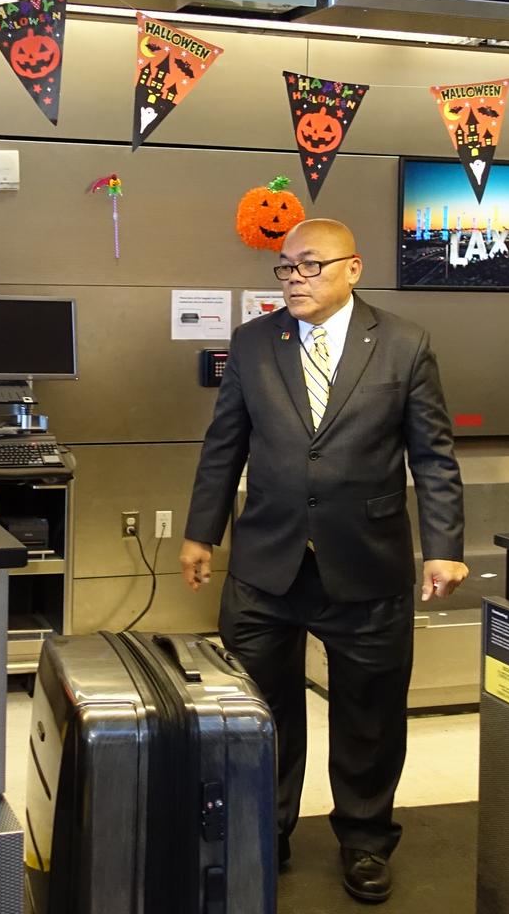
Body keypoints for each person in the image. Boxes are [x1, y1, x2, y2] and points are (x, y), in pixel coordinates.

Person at [180, 218, 466, 906]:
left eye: (310, 265)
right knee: (257, 710)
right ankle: (264, 829)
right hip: (266, 563)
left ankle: (365, 840)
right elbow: (224, 445)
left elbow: (433, 456)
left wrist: (444, 547)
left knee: (369, 715)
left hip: (367, 562)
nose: (295, 279)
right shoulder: (254, 343)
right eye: (285, 267)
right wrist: (200, 534)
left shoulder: (403, 344)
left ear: (353, 268)